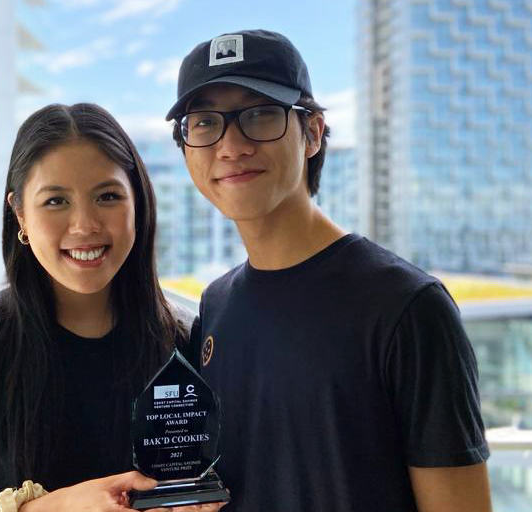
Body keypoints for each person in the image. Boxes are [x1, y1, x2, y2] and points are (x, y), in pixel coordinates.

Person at [166, 30, 493, 511]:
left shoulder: (406, 306)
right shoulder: (215, 303)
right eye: (204, 123)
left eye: (259, 115)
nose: (230, 145)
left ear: (313, 133)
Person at [0, 104, 222, 512]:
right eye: (56, 201)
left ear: (139, 205)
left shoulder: (190, 342)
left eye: (108, 196)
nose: (84, 225)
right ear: (20, 214)